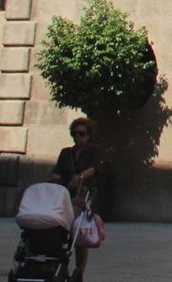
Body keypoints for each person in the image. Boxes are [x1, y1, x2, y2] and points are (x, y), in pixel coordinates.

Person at [52, 117, 101, 279]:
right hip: (65, 195)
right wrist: (58, 180)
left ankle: (79, 272)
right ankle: (60, 266)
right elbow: (56, 172)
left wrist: (78, 178)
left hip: (83, 195)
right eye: (75, 133)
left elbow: (92, 170)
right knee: (59, 230)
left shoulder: (93, 152)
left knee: (79, 236)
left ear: (89, 136)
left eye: (82, 134)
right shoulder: (66, 153)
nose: (78, 137)